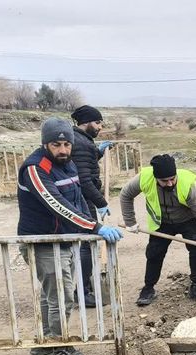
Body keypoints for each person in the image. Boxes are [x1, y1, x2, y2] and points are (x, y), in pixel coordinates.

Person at [17, 117, 123, 355]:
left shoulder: (68, 163)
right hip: (42, 242)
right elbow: (57, 205)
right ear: (45, 144)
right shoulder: (35, 169)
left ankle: (47, 341)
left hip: (65, 239)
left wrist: (89, 222)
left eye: (67, 144)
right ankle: (60, 345)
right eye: (56, 145)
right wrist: (94, 227)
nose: (63, 150)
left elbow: (76, 199)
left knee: (52, 294)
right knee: (61, 296)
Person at [121, 154, 196, 306]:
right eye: (164, 181)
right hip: (162, 221)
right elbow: (125, 195)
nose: (170, 183)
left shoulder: (186, 183)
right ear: (156, 178)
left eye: (172, 179)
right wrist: (130, 222)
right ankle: (148, 288)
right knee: (154, 253)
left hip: (187, 219)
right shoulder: (145, 178)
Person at [70, 104, 114, 307]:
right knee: (87, 244)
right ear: (86, 122)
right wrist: (101, 203)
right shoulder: (82, 143)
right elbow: (85, 180)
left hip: (78, 197)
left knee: (83, 244)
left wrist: (97, 152)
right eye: (97, 122)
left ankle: (82, 288)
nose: (100, 127)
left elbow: (83, 164)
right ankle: (82, 292)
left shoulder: (79, 139)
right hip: (82, 200)